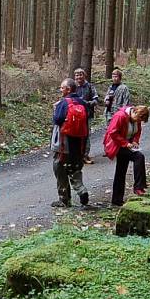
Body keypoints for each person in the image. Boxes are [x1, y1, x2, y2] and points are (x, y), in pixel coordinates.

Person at [51, 78, 90, 207]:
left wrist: (55, 110)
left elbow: (57, 120)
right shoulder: (82, 102)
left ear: (68, 89)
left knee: (60, 169)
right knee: (75, 169)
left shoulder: (63, 103)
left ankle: (64, 200)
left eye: (62, 87)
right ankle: (81, 191)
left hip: (64, 144)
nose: (61, 89)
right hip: (79, 144)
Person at [104, 105, 150, 206]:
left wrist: (135, 141)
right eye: (138, 118)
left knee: (121, 170)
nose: (138, 121)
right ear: (135, 112)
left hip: (126, 144)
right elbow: (112, 132)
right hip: (117, 145)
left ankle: (117, 199)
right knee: (139, 156)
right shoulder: (120, 116)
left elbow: (138, 131)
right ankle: (139, 187)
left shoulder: (137, 118)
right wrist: (125, 143)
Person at [73, 68, 99, 164]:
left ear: (84, 76)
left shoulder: (90, 86)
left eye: (80, 75)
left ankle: (85, 155)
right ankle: (76, 155)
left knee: (86, 135)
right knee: (75, 135)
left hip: (87, 115)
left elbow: (96, 99)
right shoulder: (73, 87)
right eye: (77, 75)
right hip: (75, 116)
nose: (79, 77)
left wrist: (87, 103)